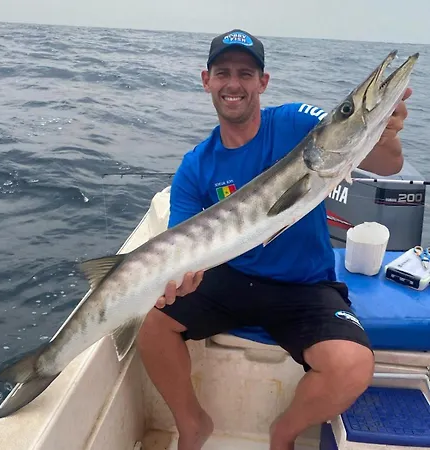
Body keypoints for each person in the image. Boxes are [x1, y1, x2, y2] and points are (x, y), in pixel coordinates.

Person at [137, 29, 412, 450]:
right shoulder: (196, 165)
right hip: (231, 277)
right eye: (223, 73)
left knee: (352, 366)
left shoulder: (298, 121)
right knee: (153, 328)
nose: (234, 83)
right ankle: (192, 424)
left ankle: (282, 434)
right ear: (207, 80)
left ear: (262, 82)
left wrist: (385, 133)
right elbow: (184, 243)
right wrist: (182, 278)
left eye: (246, 74)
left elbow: (387, 165)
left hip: (304, 285)